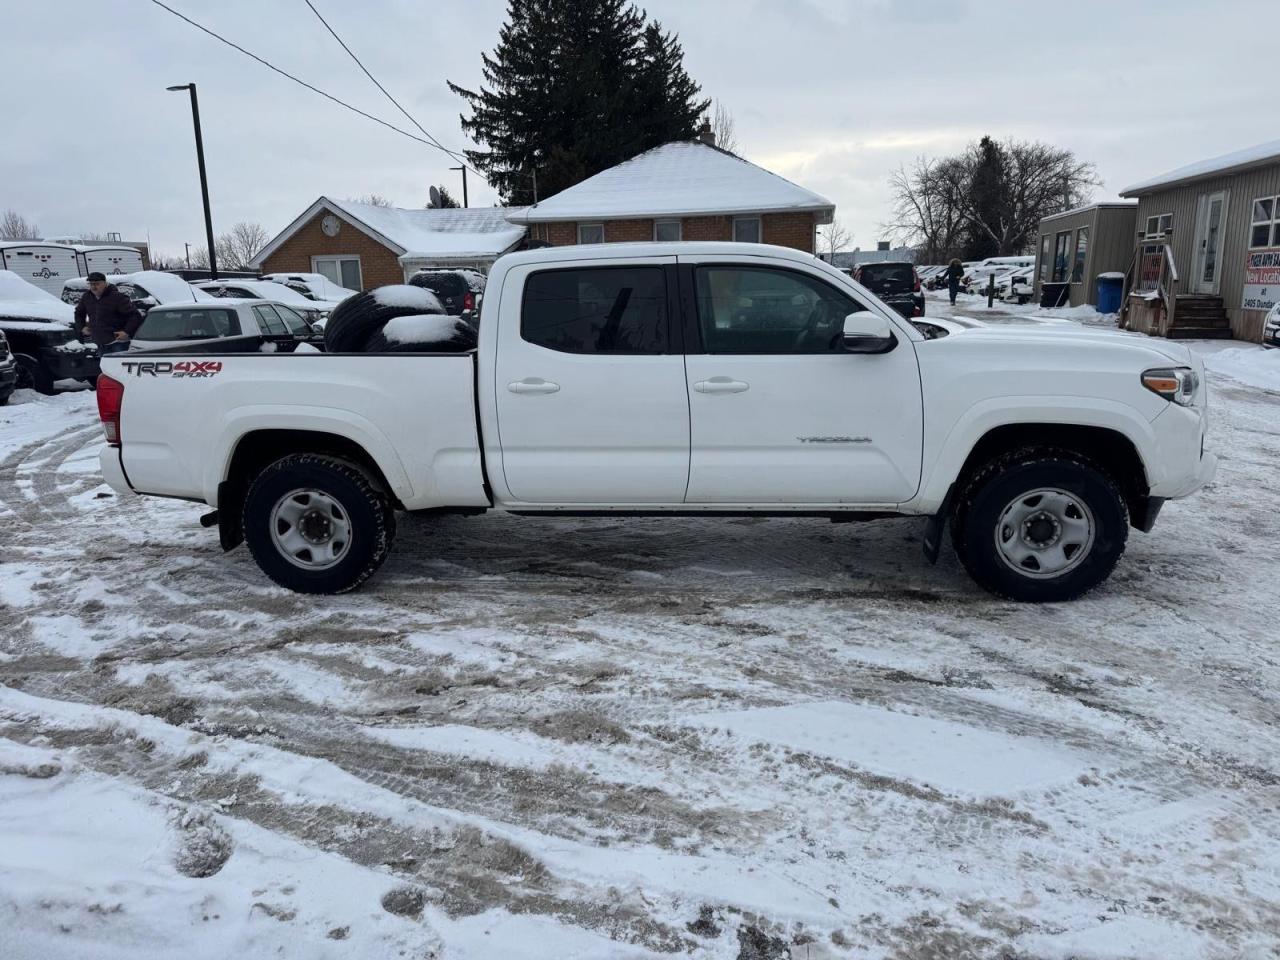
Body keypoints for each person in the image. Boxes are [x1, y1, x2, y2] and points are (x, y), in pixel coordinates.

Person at [76, 272, 143, 354]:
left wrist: (126, 332)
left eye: (97, 284)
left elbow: (135, 315)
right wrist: (82, 327)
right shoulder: (87, 297)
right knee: (106, 367)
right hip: (100, 343)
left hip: (118, 343)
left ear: (105, 283)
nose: (93, 287)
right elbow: (79, 313)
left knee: (119, 366)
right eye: (91, 284)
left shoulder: (117, 297)